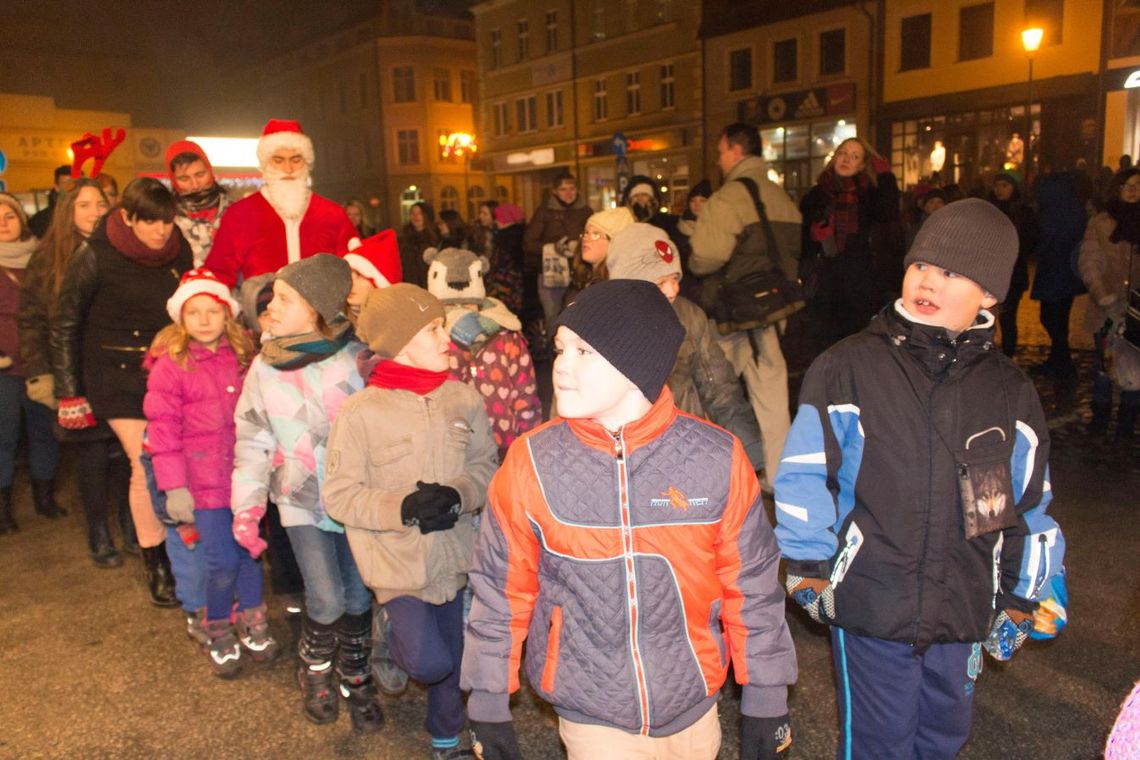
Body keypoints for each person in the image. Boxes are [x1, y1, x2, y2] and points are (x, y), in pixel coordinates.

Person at [774, 199, 1068, 758]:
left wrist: (1020, 594)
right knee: (881, 741)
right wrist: (808, 565)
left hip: (963, 604)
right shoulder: (849, 367)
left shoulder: (1009, 392)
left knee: (943, 734)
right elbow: (807, 471)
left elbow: (1026, 503)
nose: (928, 280)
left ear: (989, 295)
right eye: (921, 266)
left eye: (952, 272)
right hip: (870, 600)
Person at [461, 279, 796, 760]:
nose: (562, 369)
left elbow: (752, 585)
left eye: (584, 352)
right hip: (592, 708)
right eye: (560, 350)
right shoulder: (531, 462)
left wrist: (766, 697)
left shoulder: (715, 457)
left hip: (694, 702)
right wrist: (488, 700)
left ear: (636, 363)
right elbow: (500, 587)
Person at [325, 283, 497, 758]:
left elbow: (486, 466)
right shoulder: (360, 412)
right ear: (399, 343)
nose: (447, 338)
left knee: (453, 661)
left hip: (455, 556)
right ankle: (390, 632)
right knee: (426, 661)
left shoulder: (463, 398)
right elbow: (339, 495)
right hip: (395, 563)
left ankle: (447, 740)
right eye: (433, 329)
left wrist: (459, 495)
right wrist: (401, 508)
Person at [230, 254, 377, 730]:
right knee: (327, 599)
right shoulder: (265, 367)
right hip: (298, 498)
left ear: (318, 308)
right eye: (272, 295)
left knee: (358, 598)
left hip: (354, 499)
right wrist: (247, 508)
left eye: (286, 298)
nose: (270, 305)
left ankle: (355, 676)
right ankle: (314, 671)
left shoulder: (357, 358)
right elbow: (253, 437)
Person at [52, 178, 193, 604]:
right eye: (150, 223)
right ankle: (158, 563)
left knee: (177, 460)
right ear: (128, 218)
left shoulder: (178, 248)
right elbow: (64, 324)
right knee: (145, 460)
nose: (160, 232)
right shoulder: (95, 254)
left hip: (167, 372)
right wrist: (69, 391)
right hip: (114, 373)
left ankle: (184, 550)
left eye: (167, 221)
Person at [143, 269, 278, 676]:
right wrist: (173, 486)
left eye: (212, 311)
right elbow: (162, 433)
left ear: (228, 315)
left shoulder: (242, 361)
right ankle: (217, 623)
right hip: (201, 486)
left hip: (244, 480)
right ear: (180, 319)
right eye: (194, 312)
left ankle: (252, 616)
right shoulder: (170, 368)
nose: (204, 320)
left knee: (249, 553)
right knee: (220, 559)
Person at [18, 178, 132, 565]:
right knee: (93, 453)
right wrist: (42, 374)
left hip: (113, 366)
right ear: (68, 211)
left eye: (100, 203)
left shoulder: (122, 250)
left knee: (127, 450)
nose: (94, 212)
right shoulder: (47, 259)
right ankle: (99, 531)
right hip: (73, 370)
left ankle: (130, 522)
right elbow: (32, 321)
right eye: (83, 205)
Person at [690, 122, 801, 487]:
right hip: (770, 309)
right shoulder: (781, 195)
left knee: (711, 389)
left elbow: (706, 257)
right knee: (772, 394)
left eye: (721, 151)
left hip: (732, 313)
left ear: (736, 150)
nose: (720, 160)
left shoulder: (727, 198)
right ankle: (779, 475)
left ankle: (704, 475)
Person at [606, 223, 765, 471]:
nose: (672, 290)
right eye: (660, 283)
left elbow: (720, 387)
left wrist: (749, 450)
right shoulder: (599, 324)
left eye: (675, 278)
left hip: (683, 450)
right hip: (621, 458)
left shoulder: (689, 316)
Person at [204, 119, 360, 310]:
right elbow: (219, 272)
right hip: (264, 322)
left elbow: (355, 269)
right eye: (278, 160)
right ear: (266, 164)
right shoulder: (241, 214)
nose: (288, 169)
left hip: (324, 323)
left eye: (296, 160)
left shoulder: (331, 214)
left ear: (306, 163)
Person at [423, 247, 541, 460]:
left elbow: (526, 396)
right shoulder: (431, 338)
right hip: (451, 451)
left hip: (503, 447)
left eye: (466, 303)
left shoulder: (505, 332)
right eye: (450, 306)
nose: (459, 312)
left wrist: (528, 449)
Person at [799, 136, 902, 352]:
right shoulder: (816, 195)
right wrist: (815, 238)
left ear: (863, 165)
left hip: (860, 283)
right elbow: (803, 244)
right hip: (824, 284)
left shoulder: (869, 196)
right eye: (843, 153)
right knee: (824, 347)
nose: (847, 159)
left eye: (854, 156)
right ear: (835, 157)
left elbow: (889, 211)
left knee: (858, 346)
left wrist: (885, 176)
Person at [0, 193, 62, 534]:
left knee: (44, 433)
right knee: (4, 437)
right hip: (4, 368)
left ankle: (45, 498)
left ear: (20, 220)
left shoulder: (41, 258)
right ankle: (3, 510)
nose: (3, 223)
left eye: (9, 216)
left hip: (40, 361)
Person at [1078, 167, 1140, 438]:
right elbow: (1089, 262)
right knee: (1106, 366)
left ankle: (1127, 424)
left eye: (1137, 185)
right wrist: (1104, 295)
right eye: (1127, 185)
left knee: (1135, 369)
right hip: (1105, 309)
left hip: (1137, 311)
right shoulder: (1101, 223)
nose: (1133, 190)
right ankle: (1100, 419)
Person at [1030, 172, 1088, 382]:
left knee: (1052, 317)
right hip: (1062, 272)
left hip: (1057, 271)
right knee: (1057, 319)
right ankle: (1059, 359)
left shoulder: (1057, 209)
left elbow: (1048, 236)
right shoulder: (1072, 207)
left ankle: (1062, 361)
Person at [522, 171, 592, 345]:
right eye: (563, 189)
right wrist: (552, 247)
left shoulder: (585, 211)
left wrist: (581, 244)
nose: (568, 193)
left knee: (578, 313)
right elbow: (529, 243)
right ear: (555, 191)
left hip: (579, 272)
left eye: (572, 188)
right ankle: (554, 352)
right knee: (552, 316)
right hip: (551, 273)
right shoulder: (544, 211)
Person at [987, 171, 1038, 357]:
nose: (1000, 190)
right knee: (987, 318)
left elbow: (1031, 240)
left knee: (1008, 319)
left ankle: (1007, 357)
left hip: (1013, 274)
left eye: (1005, 185)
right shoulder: (988, 210)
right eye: (997, 185)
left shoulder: (1023, 212)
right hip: (989, 272)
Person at [166, 140, 231, 267]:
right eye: (184, 179)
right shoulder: (168, 218)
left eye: (200, 175)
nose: (195, 185)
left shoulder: (236, 211)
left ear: (210, 171)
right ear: (174, 180)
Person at [564, 206, 635, 306]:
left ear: (615, 243)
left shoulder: (615, 286)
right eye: (586, 233)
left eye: (596, 234)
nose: (586, 239)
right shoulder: (582, 276)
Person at [485, 203, 525, 315]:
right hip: (514, 282)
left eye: (498, 217)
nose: (496, 221)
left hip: (505, 283)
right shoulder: (520, 234)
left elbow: (501, 261)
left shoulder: (505, 237)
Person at [399, 201, 439, 289]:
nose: (415, 216)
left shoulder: (435, 238)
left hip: (429, 284)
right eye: (412, 213)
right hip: (409, 285)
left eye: (419, 213)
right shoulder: (404, 238)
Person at [28, 164, 72, 239]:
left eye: (76, 183)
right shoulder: (40, 220)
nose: (71, 187)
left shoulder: (93, 215)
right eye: (65, 183)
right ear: (57, 187)